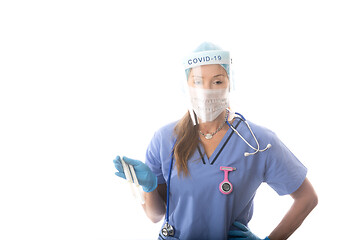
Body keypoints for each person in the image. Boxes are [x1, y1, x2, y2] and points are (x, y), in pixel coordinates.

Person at [113, 42, 318, 240]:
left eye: (217, 81)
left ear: (231, 83)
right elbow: (155, 216)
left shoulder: (258, 142)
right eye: (199, 81)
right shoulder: (165, 138)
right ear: (187, 85)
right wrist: (148, 188)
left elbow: (307, 198)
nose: (207, 91)